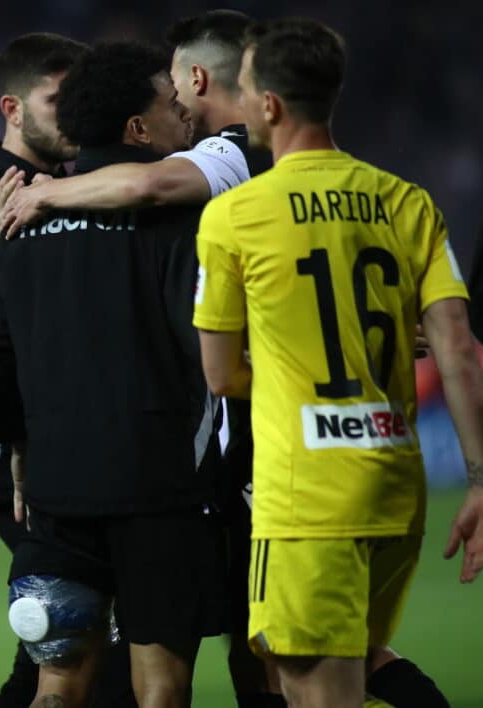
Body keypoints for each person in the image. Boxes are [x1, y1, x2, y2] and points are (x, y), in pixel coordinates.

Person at [193, 17, 483, 708]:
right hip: (395, 486)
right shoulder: (407, 202)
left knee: (312, 687)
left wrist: (289, 369)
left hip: (307, 497)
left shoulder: (235, 216)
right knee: (356, 665)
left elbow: (221, 374)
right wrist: (479, 480)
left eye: (246, 89)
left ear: (269, 105)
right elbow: (458, 349)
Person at [0, 41, 226, 708]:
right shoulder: (181, 221)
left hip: (55, 500)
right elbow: (204, 353)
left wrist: (23, 441)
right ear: (138, 129)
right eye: (170, 104)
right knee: (160, 687)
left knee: (57, 685)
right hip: (159, 492)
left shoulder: (23, 225)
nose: (184, 115)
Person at [0, 32, 132, 708]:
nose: (72, 113)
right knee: (87, 648)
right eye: (56, 100)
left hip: (76, 453)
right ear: (12, 109)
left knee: (61, 648)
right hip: (20, 466)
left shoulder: (78, 191)